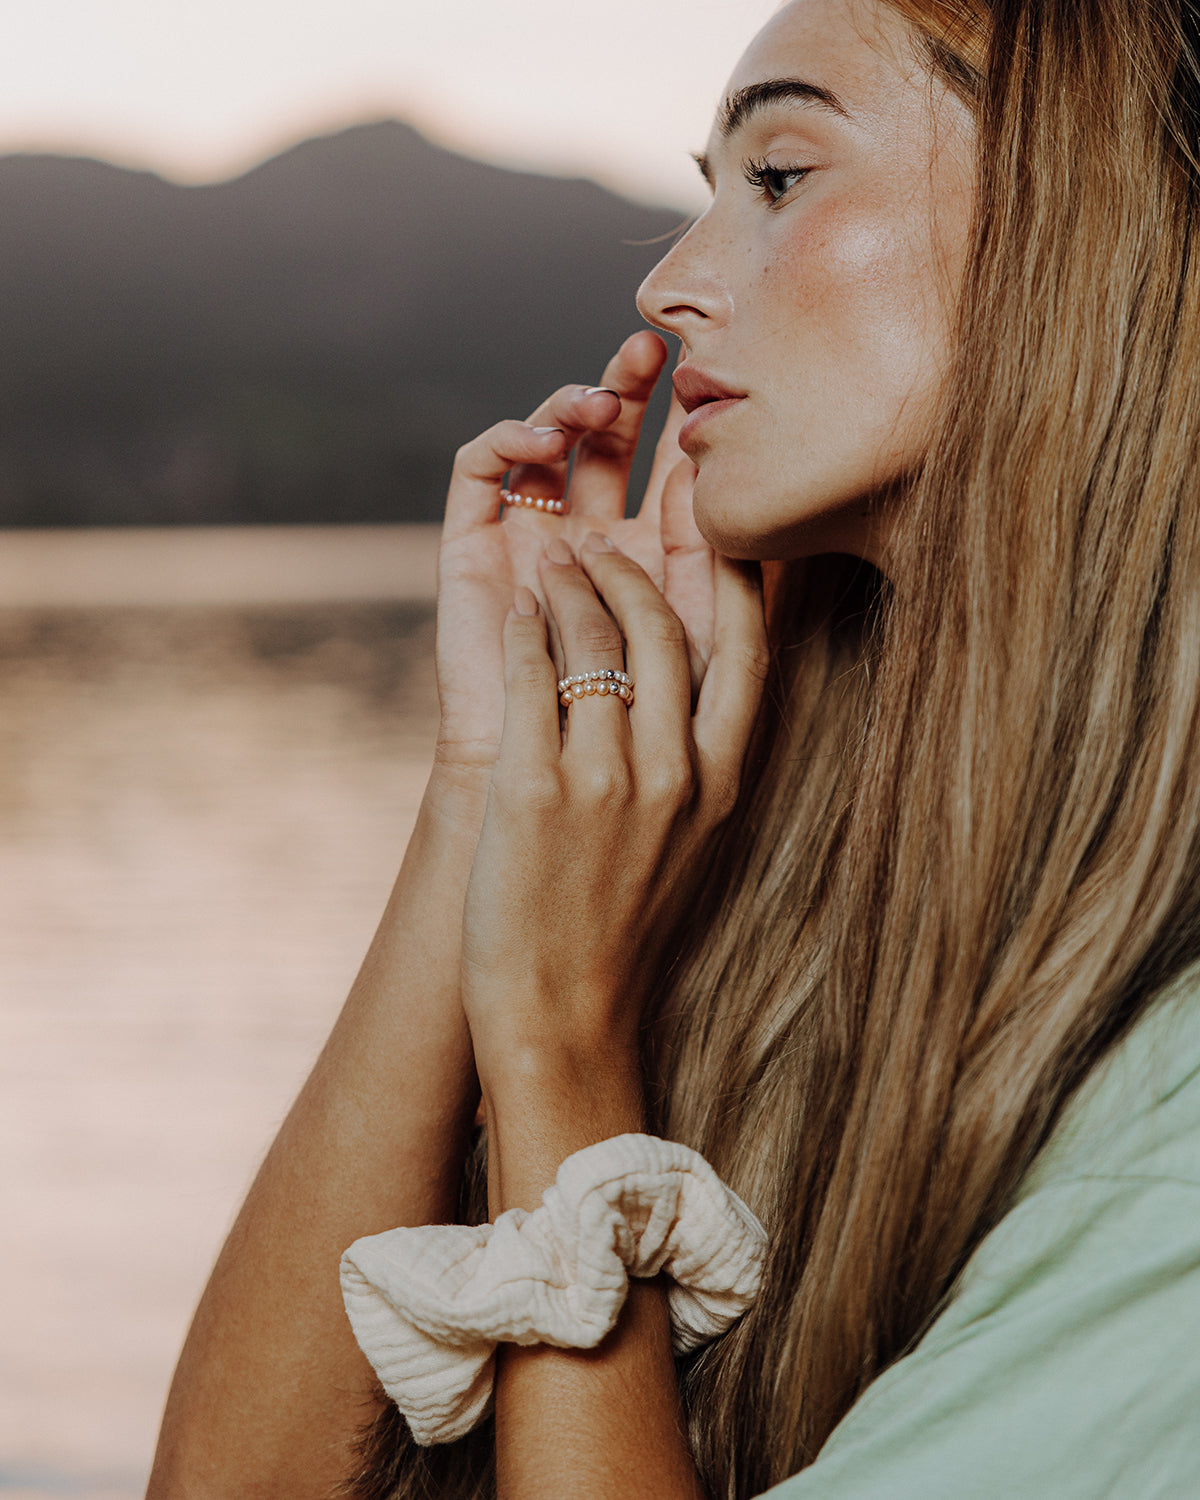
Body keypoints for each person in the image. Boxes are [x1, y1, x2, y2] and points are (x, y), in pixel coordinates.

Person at [146, 0, 1200, 1494]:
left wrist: (564, 1047)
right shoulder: (806, 873)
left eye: (778, 177)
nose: (668, 281)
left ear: (1090, 220)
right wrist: (490, 777)